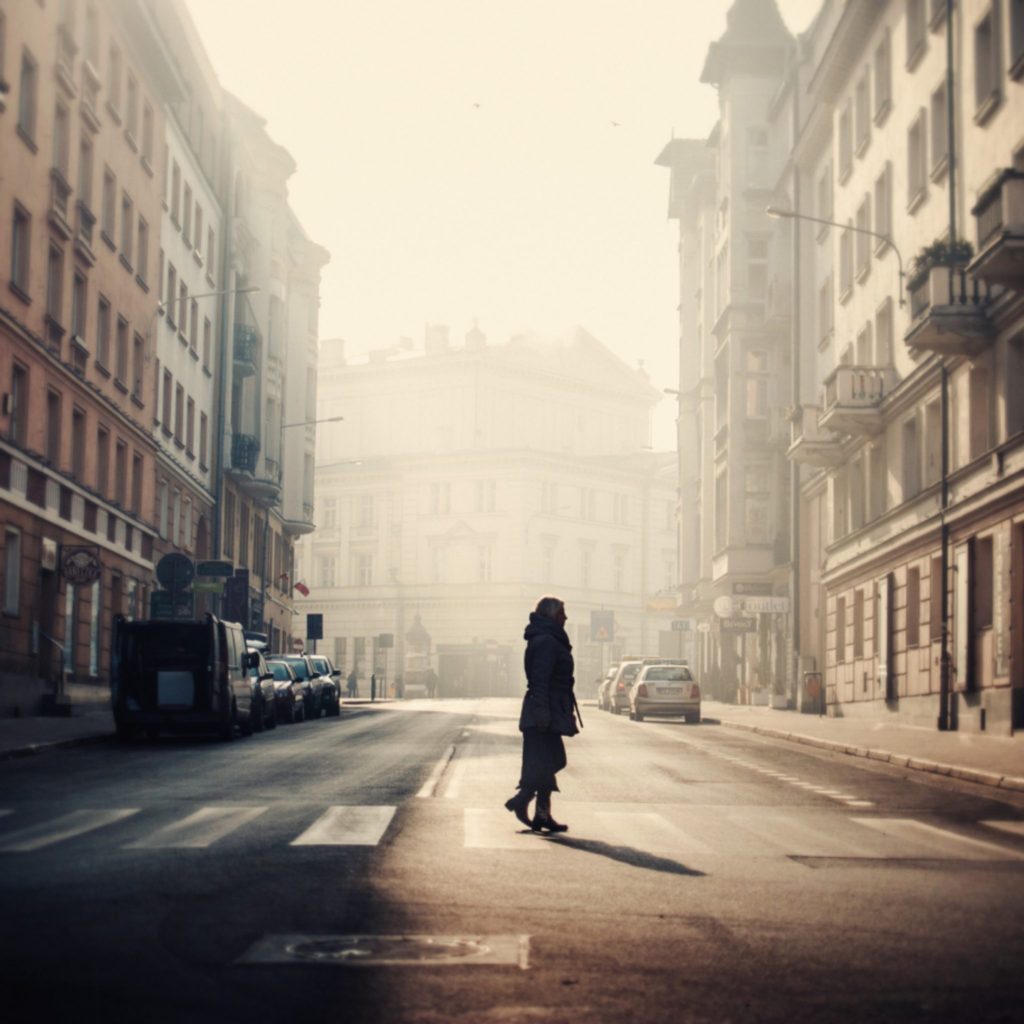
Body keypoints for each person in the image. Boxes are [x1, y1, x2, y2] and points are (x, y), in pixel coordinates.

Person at [505, 595, 580, 833]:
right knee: (551, 760)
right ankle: (526, 802)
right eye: (561, 613)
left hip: (548, 709)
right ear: (551, 615)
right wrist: (543, 715)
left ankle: (539, 812)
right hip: (542, 711)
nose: (565, 618)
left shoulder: (549, 638)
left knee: (548, 761)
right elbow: (540, 680)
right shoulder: (547, 641)